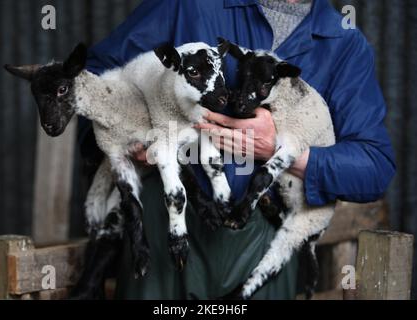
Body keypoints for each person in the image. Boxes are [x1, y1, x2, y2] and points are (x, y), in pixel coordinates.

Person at [80, 0, 396, 299]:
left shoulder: (344, 43)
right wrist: (134, 131)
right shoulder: (189, 5)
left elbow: (374, 166)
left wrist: (280, 150)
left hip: (264, 243)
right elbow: (93, 79)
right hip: (164, 226)